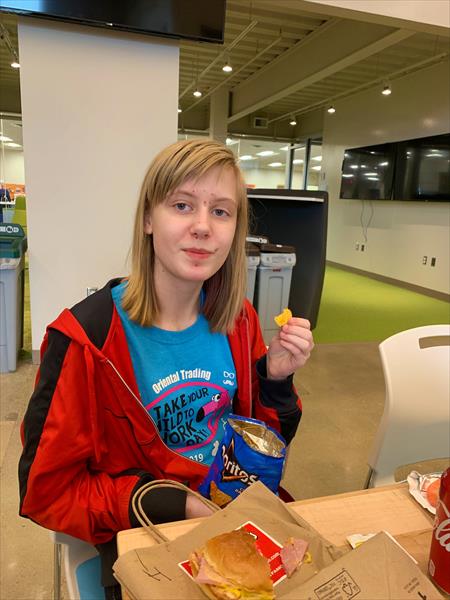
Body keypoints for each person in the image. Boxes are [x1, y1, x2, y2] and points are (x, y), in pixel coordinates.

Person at [18, 139, 314, 598]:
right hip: (147, 537)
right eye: (182, 205)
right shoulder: (86, 340)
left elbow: (260, 448)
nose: (203, 227)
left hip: (234, 525)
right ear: (148, 219)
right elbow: (47, 492)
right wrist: (171, 504)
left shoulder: (239, 320)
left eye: (221, 211)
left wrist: (274, 381)